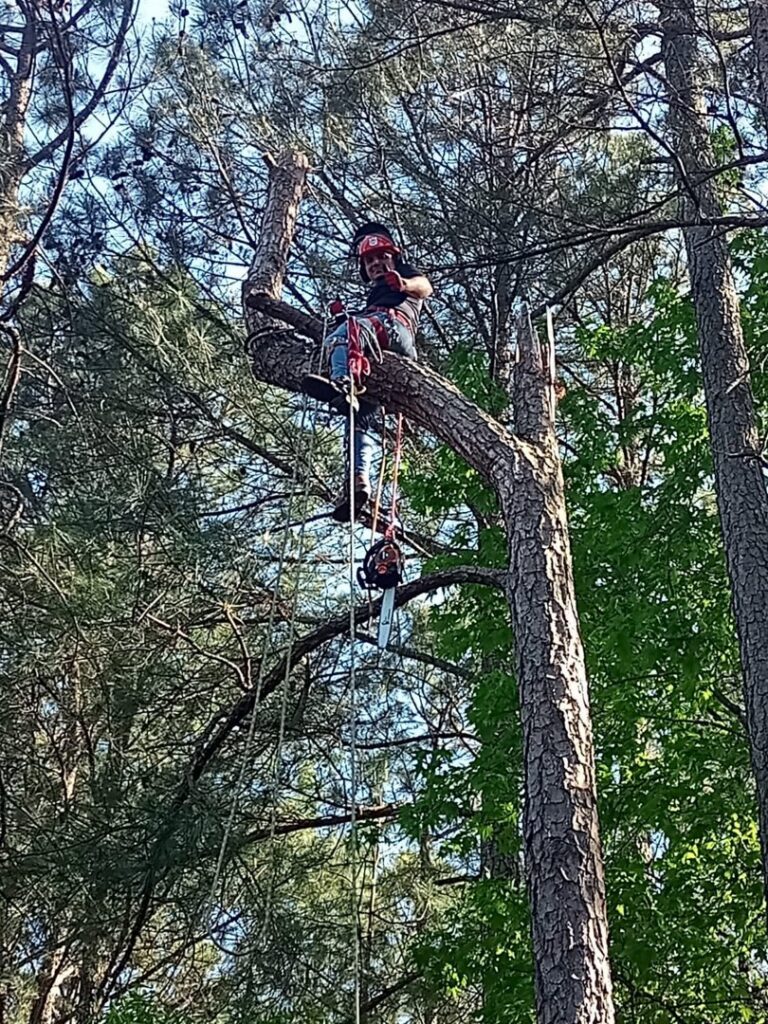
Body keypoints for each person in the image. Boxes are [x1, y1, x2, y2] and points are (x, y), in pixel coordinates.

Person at [302, 223, 433, 521]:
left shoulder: (402, 276)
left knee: (343, 333)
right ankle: (359, 481)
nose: (376, 264)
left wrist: (403, 284)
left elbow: (425, 287)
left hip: (394, 330)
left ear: (393, 257)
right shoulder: (375, 294)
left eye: (381, 257)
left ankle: (342, 383)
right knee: (359, 416)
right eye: (370, 261)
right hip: (380, 337)